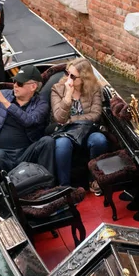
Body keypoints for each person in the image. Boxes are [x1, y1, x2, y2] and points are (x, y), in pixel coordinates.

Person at [0, 65, 55, 178]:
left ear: (33, 87)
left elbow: (29, 121)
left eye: (20, 84)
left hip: (26, 153)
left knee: (48, 141)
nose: (15, 86)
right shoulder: (2, 95)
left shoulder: (41, 104)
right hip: (2, 153)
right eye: (15, 82)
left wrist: (5, 103)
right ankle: (6, 189)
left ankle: (47, 182)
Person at [50, 58, 109, 192]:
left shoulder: (94, 89)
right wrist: (68, 96)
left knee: (99, 140)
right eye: (67, 74)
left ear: (83, 79)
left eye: (73, 76)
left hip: (87, 130)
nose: (68, 79)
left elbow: (96, 114)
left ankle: (93, 180)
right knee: (63, 144)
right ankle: (65, 187)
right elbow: (59, 118)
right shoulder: (57, 89)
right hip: (65, 131)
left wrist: (72, 120)